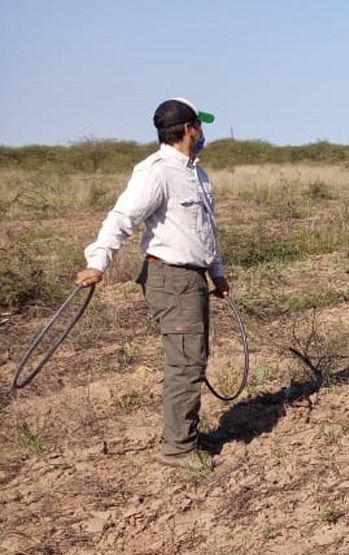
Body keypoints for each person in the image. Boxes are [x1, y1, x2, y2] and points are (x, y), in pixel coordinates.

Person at [76, 98, 229, 470]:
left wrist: (217, 271)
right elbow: (122, 218)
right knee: (186, 363)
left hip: (192, 277)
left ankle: (185, 433)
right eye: (200, 126)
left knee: (193, 358)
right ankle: (178, 449)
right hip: (170, 278)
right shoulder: (156, 171)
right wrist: (98, 262)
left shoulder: (196, 172)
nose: (204, 133)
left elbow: (203, 230)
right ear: (189, 129)